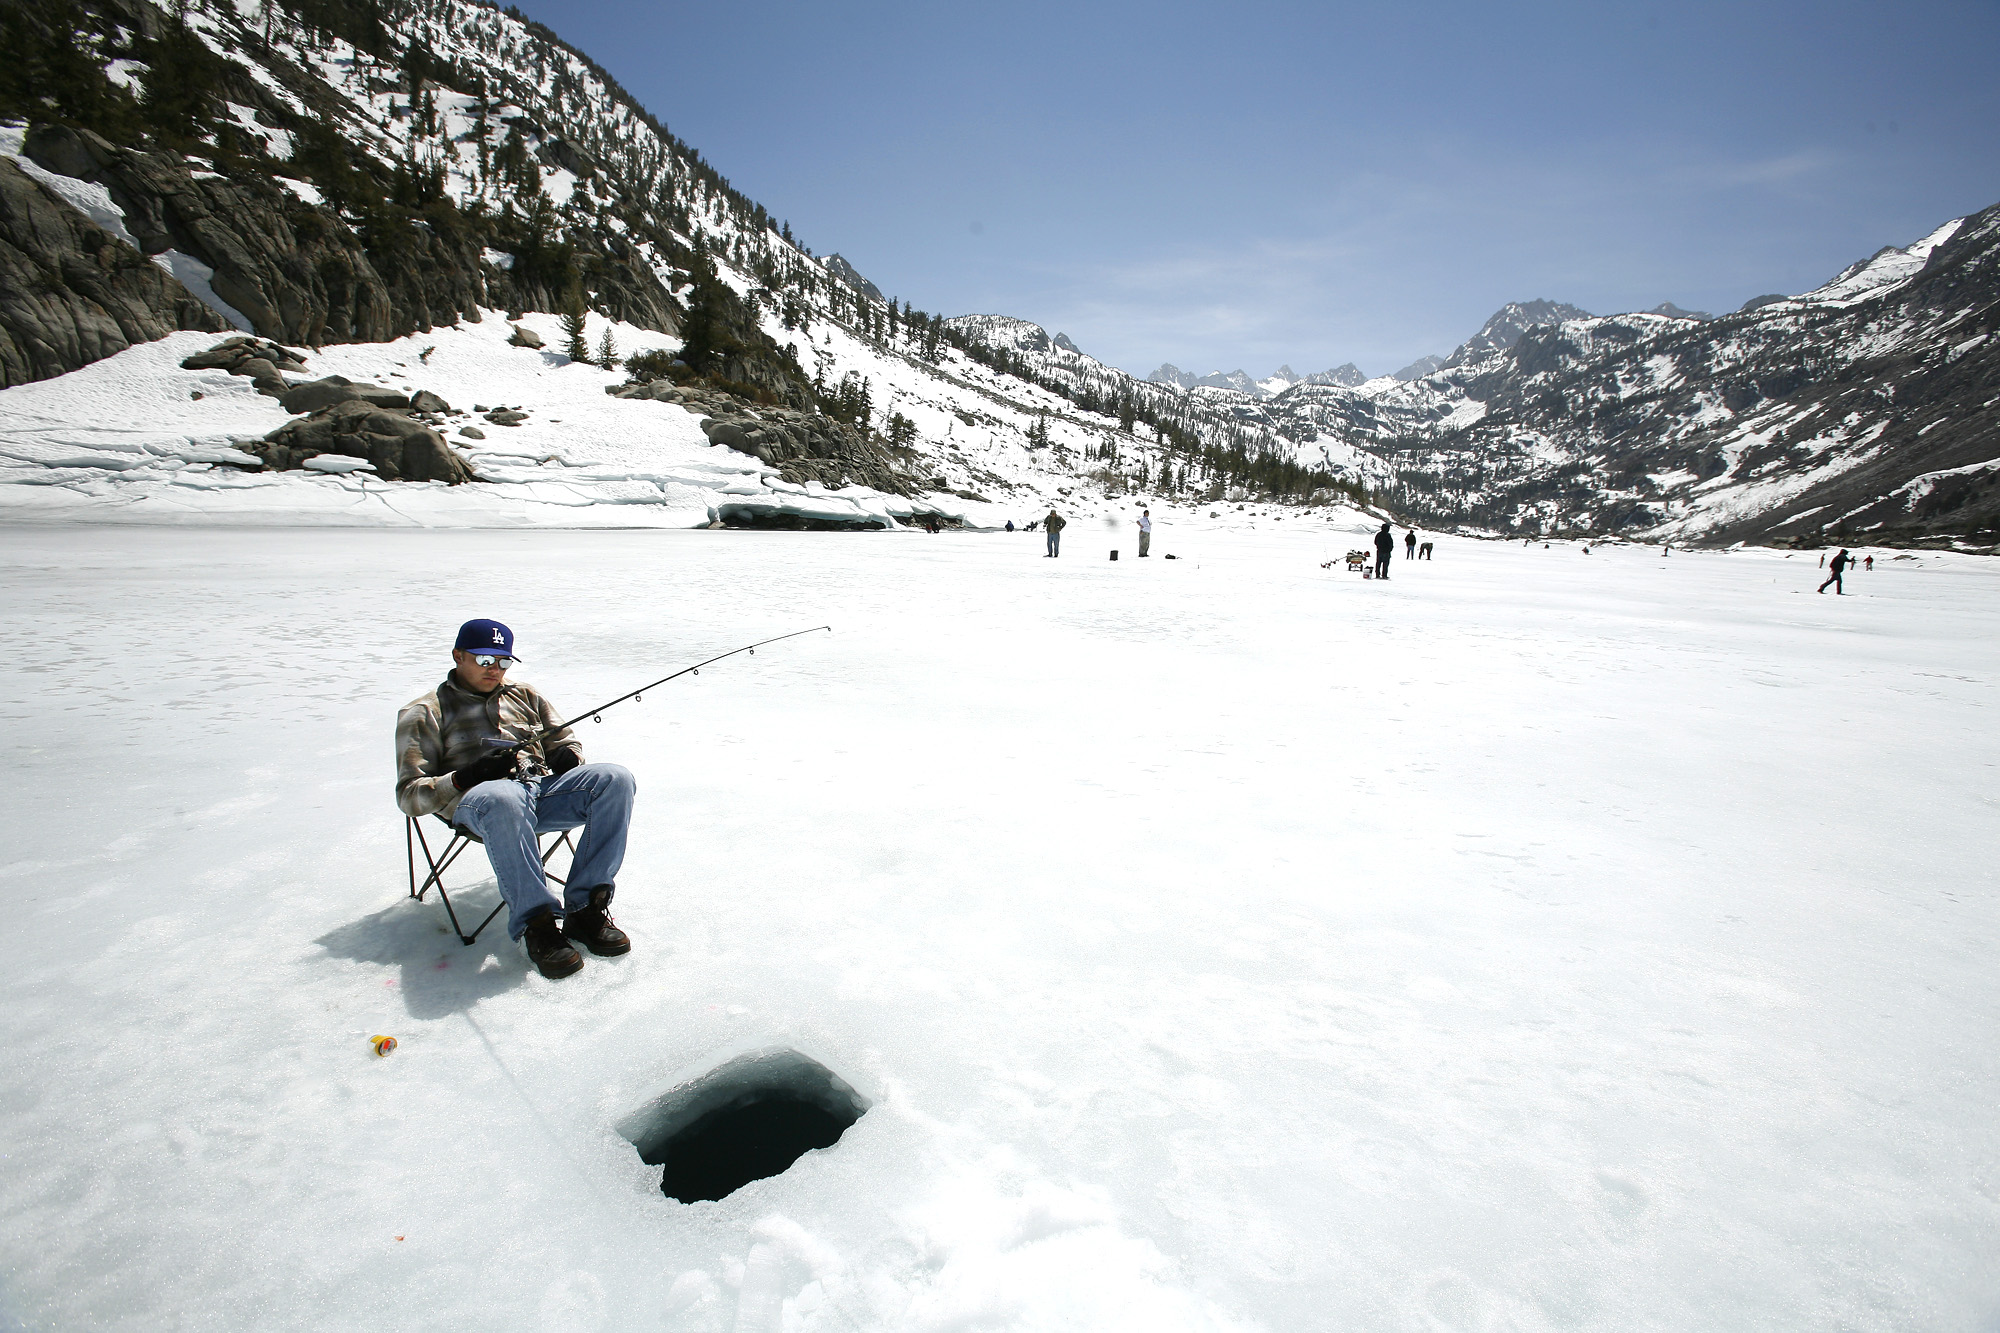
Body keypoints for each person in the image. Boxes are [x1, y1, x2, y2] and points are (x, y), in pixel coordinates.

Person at [395, 619, 637, 980]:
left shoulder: (525, 695)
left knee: (615, 779)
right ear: (458, 656)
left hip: (538, 793)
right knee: (503, 796)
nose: (495, 669)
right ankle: (537, 925)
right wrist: (467, 775)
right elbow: (409, 796)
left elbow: (566, 742)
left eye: (504, 661)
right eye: (484, 660)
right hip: (477, 805)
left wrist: (566, 758)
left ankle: (586, 909)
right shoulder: (425, 712)